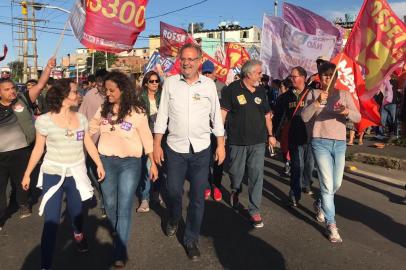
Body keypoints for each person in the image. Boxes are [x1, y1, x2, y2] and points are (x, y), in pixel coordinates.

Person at [21, 78, 105, 269]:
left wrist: (99, 163)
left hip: (76, 173)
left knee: (76, 212)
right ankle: (45, 265)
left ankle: (78, 234)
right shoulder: (44, 120)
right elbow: (38, 150)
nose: (79, 95)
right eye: (75, 92)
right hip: (53, 174)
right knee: (51, 221)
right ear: (63, 96)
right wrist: (27, 173)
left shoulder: (81, 119)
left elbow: (88, 143)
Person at [154, 43, 225, 260]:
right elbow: (162, 115)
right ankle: (174, 217)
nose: (186, 63)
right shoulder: (171, 84)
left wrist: (221, 144)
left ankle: (191, 238)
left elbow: (216, 117)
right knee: (174, 191)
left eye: (190, 59)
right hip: (175, 148)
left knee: (197, 198)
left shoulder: (209, 85)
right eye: (183, 59)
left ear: (199, 61)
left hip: (202, 149)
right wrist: (157, 144)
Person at [89, 71, 158, 268]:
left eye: (111, 90)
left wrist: (152, 164)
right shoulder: (103, 109)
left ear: (123, 90)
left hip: (130, 164)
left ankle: (119, 249)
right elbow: (89, 129)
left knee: (125, 204)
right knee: (110, 204)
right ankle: (116, 230)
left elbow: (147, 140)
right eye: (106, 90)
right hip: (106, 162)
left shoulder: (137, 111)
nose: (108, 94)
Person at [301, 61, 360, 243]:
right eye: (324, 75)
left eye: (330, 75)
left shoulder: (344, 94)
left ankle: (319, 203)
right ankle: (331, 224)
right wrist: (317, 103)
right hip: (320, 142)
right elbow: (304, 116)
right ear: (320, 77)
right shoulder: (314, 93)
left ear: (336, 76)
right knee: (327, 185)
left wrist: (345, 110)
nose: (327, 78)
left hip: (340, 143)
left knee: (336, 184)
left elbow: (358, 117)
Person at [0, 57, 55, 228]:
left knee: (22, 180)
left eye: (13, 88)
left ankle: (23, 204)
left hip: (22, 151)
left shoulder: (23, 99)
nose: (12, 92)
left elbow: (39, 86)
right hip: (1, 154)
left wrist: (47, 68)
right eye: (7, 89)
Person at [221, 59, 276, 228]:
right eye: (259, 72)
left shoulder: (261, 91)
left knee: (256, 176)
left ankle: (254, 210)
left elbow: (267, 115)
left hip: (258, 141)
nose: (261, 75)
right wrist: (221, 136)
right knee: (236, 173)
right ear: (249, 74)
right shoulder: (231, 89)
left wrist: (271, 135)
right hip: (237, 141)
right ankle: (235, 189)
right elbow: (223, 113)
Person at [278, 66, 315, 207]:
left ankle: (306, 183)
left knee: (309, 165)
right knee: (296, 166)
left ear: (303, 78)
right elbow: (281, 117)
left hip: (311, 136)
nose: (292, 79)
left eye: (295, 76)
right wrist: (273, 135)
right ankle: (294, 193)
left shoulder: (313, 94)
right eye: (291, 77)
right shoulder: (286, 97)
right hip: (294, 136)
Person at [79, 69, 108, 217]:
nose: (101, 85)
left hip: (109, 142)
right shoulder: (89, 95)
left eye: (103, 81)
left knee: (105, 173)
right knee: (93, 171)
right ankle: (103, 195)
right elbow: (81, 115)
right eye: (99, 82)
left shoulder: (115, 94)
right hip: (92, 141)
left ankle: (105, 201)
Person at [137, 70, 163, 213]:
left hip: (161, 136)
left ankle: (156, 193)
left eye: (157, 81)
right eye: (151, 81)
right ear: (146, 83)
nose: (155, 84)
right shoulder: (140, 98)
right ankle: (144, 198)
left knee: (160, 166)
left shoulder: (163, 96)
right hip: (146, 136)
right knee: (147, 167)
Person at [201, 60, 226, 202]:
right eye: (204, 72)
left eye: (209, 72)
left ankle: (216, 185)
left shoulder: (223, 87)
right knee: (204, 160)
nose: (207, 75)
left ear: (214, 73)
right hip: (203, 130)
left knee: (218, 160)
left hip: (219, 131)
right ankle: (206, 185)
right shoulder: (198, 86)